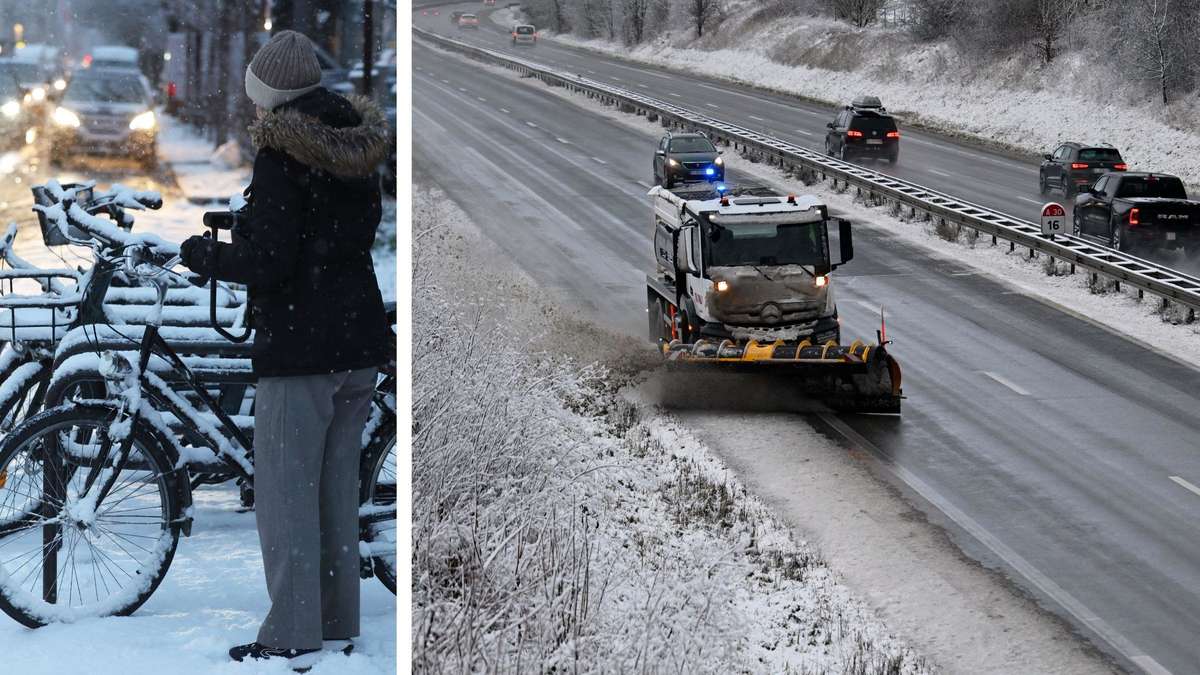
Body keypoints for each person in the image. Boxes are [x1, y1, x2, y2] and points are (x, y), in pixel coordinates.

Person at [178, 29, 392, 671]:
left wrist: (211, 257)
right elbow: (329, 235)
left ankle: (291, 633)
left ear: (270, 93)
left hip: (301, 348)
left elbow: (272, 260)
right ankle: (334, 620)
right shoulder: (355, 146)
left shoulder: (282, 152)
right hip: (355, 343)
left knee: (285, 495)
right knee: (332, 492)